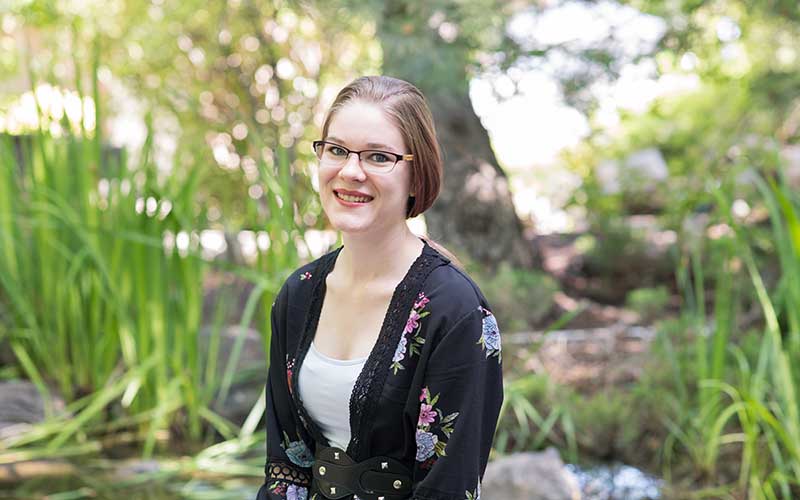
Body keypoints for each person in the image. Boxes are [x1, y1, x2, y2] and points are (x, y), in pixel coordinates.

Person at [256, 75, 503, 500]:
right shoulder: (299, 293)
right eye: (336, 150)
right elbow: (286, 465)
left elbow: (447, 488)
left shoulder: (455, 312)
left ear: (416, 172)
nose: (351, 172)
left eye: (378, 156)